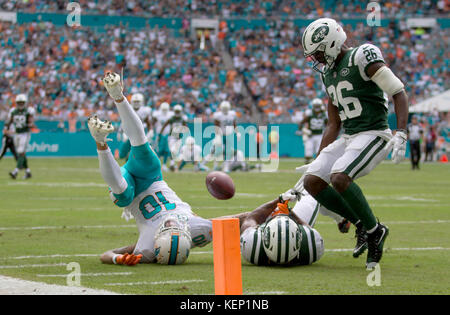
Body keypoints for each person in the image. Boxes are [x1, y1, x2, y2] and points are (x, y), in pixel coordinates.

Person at [298, 18, 409, 268]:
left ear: (331, 44)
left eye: (317, 53)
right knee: (312, 180)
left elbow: (398, 92)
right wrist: (319, 158)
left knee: (339, 176)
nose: (315, 59)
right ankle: (361, 224)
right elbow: (333, 123)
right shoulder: (328, 74)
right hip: (350, 137)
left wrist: (401, 131)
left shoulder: (363, 56)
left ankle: (374, 231)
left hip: (375, 133)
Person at [91, 72, 212, 265]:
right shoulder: (197, 227)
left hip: (130, 190)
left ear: (158, 241)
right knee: (140, 144)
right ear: (185, 234)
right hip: (151, 177)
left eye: (167, 230)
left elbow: (106, 254)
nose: (170, 226)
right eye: (175, 229)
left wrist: (117, 258)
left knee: (122, 194)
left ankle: (101, 143)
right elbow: (235, 221)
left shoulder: (147, 247)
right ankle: (118, 97)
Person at [5, 94, 35, 179]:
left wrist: (30, 124)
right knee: (21, 153)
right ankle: (28, 172)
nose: (21, 104)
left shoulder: (28, 111)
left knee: (21, 151)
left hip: (25, 133)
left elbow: (31, 121)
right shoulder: (13, 111)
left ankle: (15, 171)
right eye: (19, 103)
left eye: (22, 103)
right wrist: (6, 128)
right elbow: (9, 121)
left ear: (25, 103)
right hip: (17, 133)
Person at [158, 104, 188, 171]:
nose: (177, 113)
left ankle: (173, 164)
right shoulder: (172, 119)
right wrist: (160, 133)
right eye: (176, 111)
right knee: (172, 150)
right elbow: (164, 126)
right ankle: (172, 164)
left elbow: (186, 128)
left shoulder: (182, 119)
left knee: (176, 151)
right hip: (171, 137)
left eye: (178, 111)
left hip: (179, 137)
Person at [300, 98, 328, 164]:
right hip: (311, 135)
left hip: (320, 135)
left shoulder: (324, 114)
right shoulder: (310, 113)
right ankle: (307, 166)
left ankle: (316, 166)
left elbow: (328, 125)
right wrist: (304, 130)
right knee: (308, 153)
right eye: (316, 105)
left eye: (318, 105)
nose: (317, 107)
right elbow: (301, 123)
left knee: (319, 153)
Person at [152, 102, 173, 171]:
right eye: (163, 109)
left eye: (165, 109)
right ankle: (157, 165)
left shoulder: (170, 114)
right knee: (159, 150)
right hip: (159, 134)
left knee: (167, 150)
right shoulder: (157, 114)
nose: (164, 111)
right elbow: (153, 123)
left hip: (167, 134)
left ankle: (163, 165)